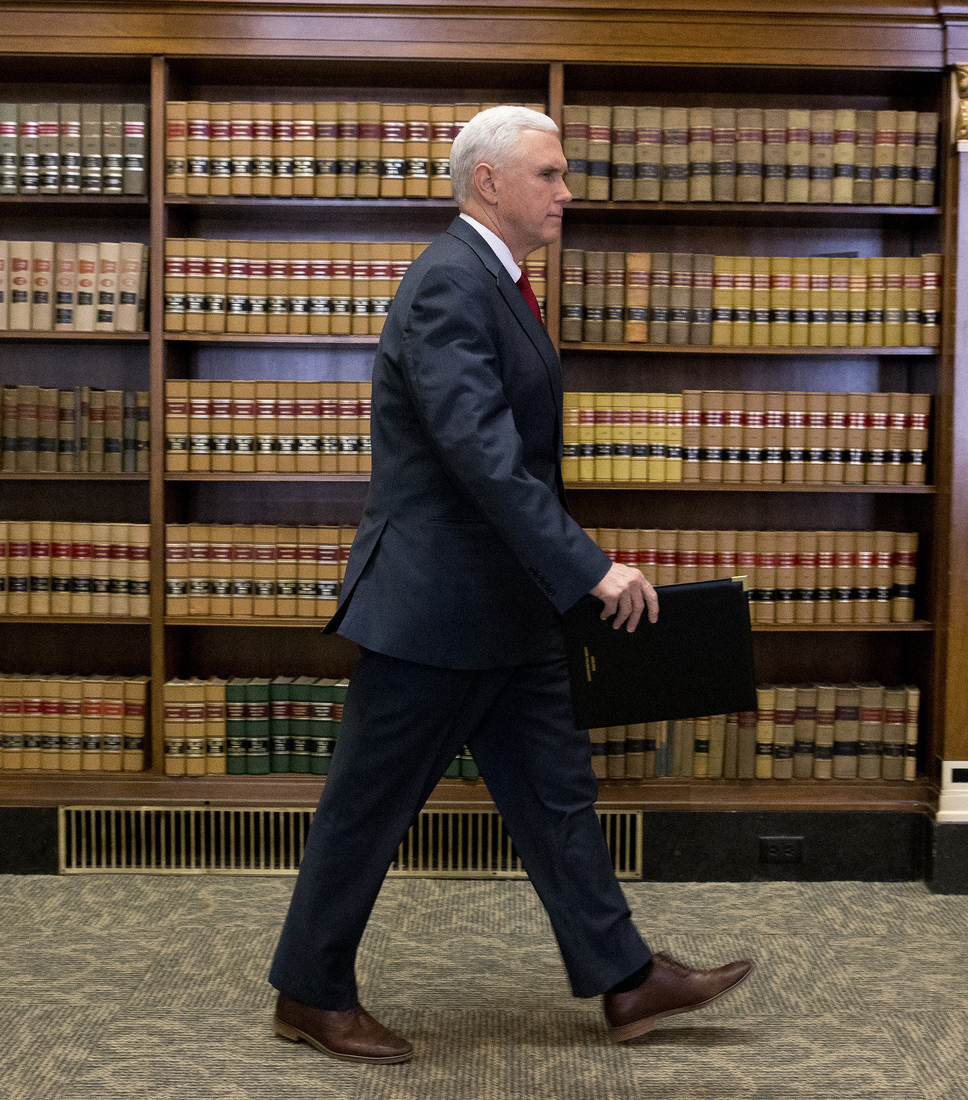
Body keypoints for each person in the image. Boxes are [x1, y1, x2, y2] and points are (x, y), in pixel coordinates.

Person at [267, 105, 753, 1064]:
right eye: (550, 173)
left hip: (507, 609)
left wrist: (561, 576)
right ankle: (309, 993)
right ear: (488, 182)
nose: (567, 191)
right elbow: (484, 460)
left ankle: (624, 979)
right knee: (368, 807)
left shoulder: (496, 279)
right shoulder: (450, 282)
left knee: (557, 794)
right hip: (435, 610)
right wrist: (591, 567)